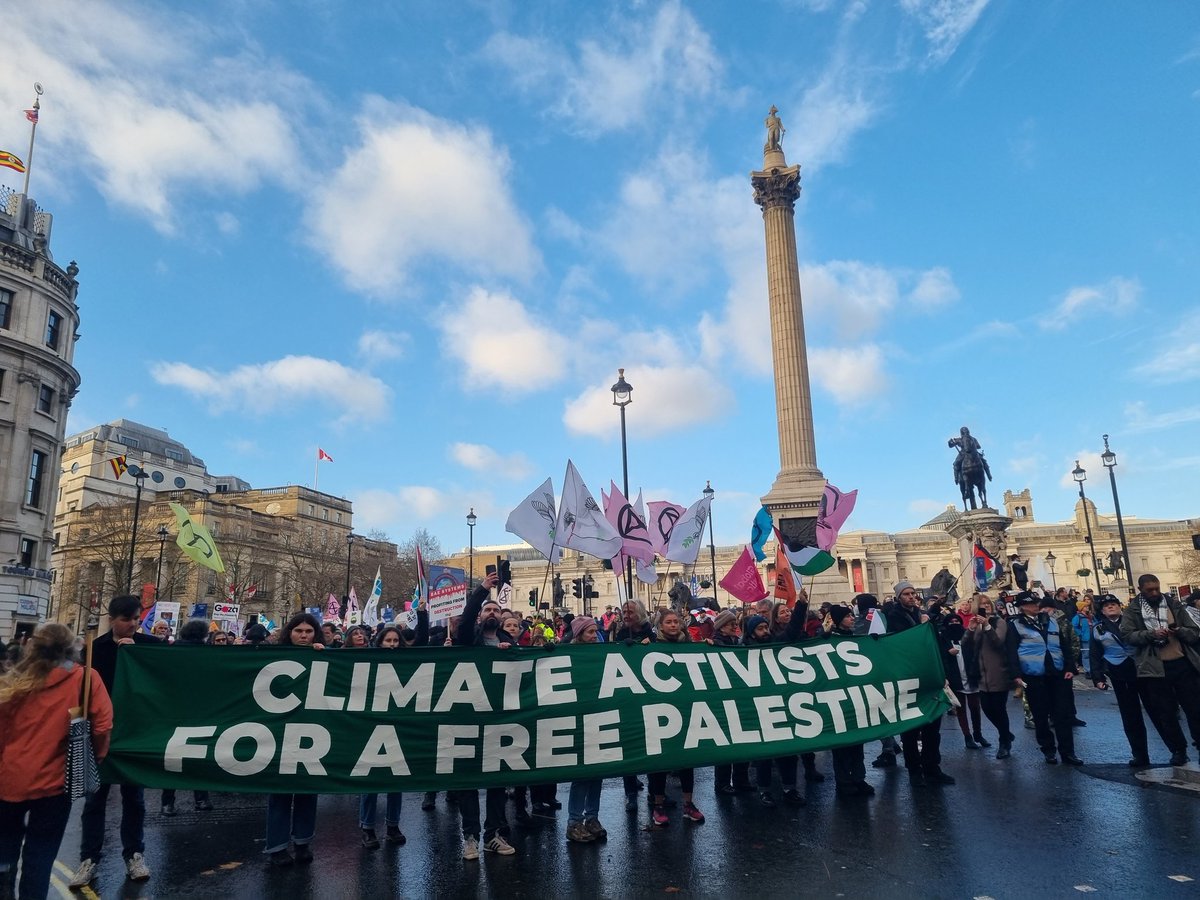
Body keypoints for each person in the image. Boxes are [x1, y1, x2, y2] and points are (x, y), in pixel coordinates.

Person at [1, 624, 113, 900]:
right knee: (40, 856)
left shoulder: (13, 680)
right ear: (71, 648)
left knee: (4, 850)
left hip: (9, 778)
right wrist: (95, 757)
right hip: (54, 782)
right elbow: (102, 727)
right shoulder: (85, 679)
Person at [70, 595, 163, 888]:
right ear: (112, 619)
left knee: (134, 799)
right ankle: (89, 858)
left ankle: (134, 855)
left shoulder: (151, 647)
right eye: (127, 619)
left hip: (135, 734)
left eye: (137, 618)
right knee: (95, 800)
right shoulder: (93, 651)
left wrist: (138, 656)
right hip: (100, 734)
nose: (133, 624)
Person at [453, 571, 516, 859]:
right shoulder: (469, 638)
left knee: (496, 781)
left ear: (501, 618)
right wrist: (481, 591)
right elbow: (464, 620)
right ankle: (470, 836)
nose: (491, 612)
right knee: (467, 780)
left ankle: (494, 834)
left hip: (500, 721)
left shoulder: (509, 643)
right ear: (480, 617)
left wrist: (510, 654)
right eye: (486, 610)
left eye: (495, 610)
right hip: (468, 718)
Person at [264, 613, 325, 867]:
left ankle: (302, 843)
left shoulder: (324, 655)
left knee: (307, 793)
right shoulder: (272, 659)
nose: (304, 635)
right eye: (299, 631)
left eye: (309, 631)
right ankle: (277, 847)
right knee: (279, 793)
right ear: (289, 633)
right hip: (280, 735)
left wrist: (327, 654)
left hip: (311, 735)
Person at [1120, 574, 1200, 764]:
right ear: (1141, 590)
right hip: (1154, 667)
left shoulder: (1174, 605)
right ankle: (1178, 750)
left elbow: (1194, 632)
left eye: (1157, 588)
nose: (1155, 592)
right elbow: (1128, 635)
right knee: (1165, 712)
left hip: (1181, 663)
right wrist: (1151, 634)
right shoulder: (1133, 610)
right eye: (1150, 590)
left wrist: (1179, 631)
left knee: (1195, 709)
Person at [886, 582, 955, 786]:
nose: (911, 596)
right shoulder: (893, 617)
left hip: (929, 674)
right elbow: (903, 641)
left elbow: (935, 642)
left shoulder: (922, 614)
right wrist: (922, 626)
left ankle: (933, 767)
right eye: (906, 594)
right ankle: (914, 769)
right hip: (909, 676)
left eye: (913, 593)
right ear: (898, 597)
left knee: (933, 725)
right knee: (911, 727)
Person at [1006, 593, 1081, 765]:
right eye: (1031, 603)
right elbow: (1011, 651)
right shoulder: (1016, 625)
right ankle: (1048, 750)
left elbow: (1063, 645)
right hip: (1033, 675)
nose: (1035, 606)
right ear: (1022, 607)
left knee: (1062, 714)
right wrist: (1016, 675)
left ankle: (1068, 752)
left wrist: (1070, 667)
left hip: (1057, 672)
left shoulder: (1051, 620)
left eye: (1036, 602)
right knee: (1040, 716)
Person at [646, 610, 704, 827]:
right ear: (660, 626)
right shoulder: (650, 647)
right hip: (660, 712)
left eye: (676, 622)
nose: (673, 625)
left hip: (685, 709)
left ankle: (689, 804)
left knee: (687, 760)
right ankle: (658, 805)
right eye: (668, 622)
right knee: (660, 761)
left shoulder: (690, 646)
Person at [1090, 595, 1152, 766]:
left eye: (1113, 604)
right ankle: (1140, 754)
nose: (1110, 607)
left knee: (1156, 710)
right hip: (1119, 672)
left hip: (1141, 669)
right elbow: (1095, 654)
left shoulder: (1131, 622)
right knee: (1130, 715)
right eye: (1107, 606)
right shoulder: (1098, 628)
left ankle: (1176, 750)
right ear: (1102, 610)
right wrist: (1098, 677)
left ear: (1120, 607)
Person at [160, 620, 213, 816]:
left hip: (173, 711)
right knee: (198, 757)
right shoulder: (209, 654)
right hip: (200, 712)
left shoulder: (170, 652)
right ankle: (201, 799)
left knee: (172, 758)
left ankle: (168, 802)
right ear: (203, 635)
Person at [565, 617, 608, 842]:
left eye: (595, 631)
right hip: (579, 716)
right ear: (579, 634)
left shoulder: (602, 652)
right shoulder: (568, 654)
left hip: (599, 715)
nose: (594, 636)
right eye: (590, 632)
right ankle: (574, 822)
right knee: (582, 774)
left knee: (597, 773)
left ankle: (592, 817)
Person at [825, 605, 873, 798]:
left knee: (857, 743)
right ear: (837, 620)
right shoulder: (828, 639)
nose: (852, 619)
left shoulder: (854, 636)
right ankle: (843, 782)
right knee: (841, 746)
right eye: (847, 616)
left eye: (851, 615)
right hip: (837, 698)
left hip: (855, 696)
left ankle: (859, 778)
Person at [964, 597, 1015, 758]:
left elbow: (998, 642)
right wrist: (971, 629)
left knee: (999, 710)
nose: (985, 607)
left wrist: (986, 625)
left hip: (998, 672)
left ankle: (1004, 742)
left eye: (987, 604)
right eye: (981, 605)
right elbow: (965, 644)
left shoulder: (998, 622)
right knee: (986, 709)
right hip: (981, 675)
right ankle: (1005, 733)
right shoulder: (976, 624)